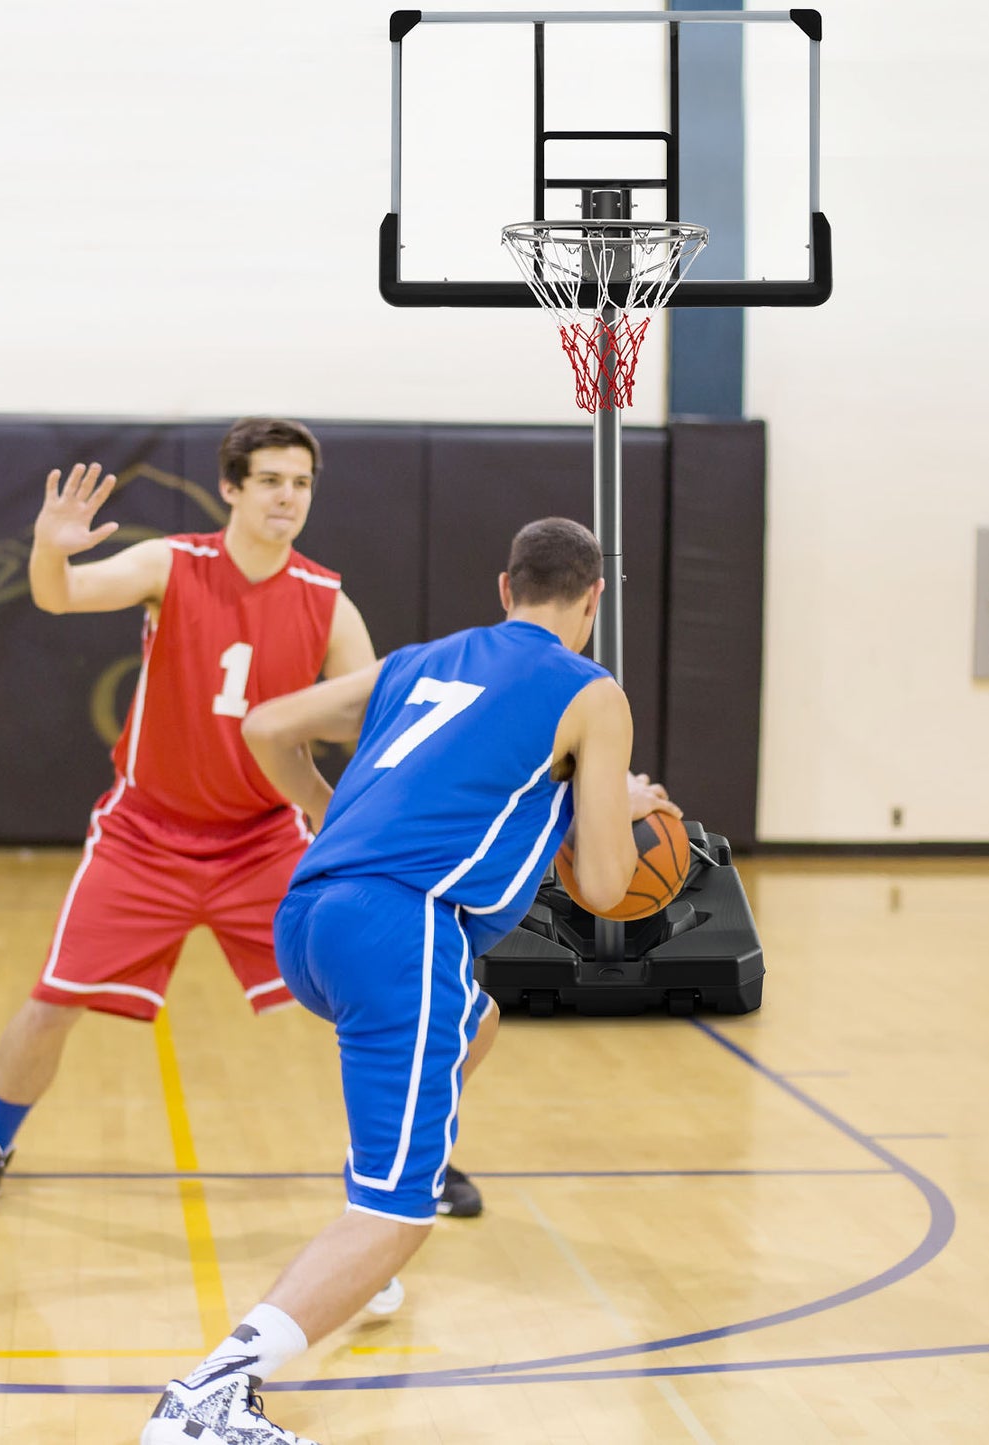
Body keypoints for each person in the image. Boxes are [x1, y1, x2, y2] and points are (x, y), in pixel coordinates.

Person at [140, 517, 682, 1445]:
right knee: (401, 1211)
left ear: (504, 590)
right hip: (403, 930)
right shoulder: (594, 694)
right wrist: (612, 808)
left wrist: (326, 810)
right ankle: (207, 1400)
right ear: (594, 601)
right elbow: (601, 886)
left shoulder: (420, 660)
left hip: (309, 915)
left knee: (475, 1024)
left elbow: (269, 724)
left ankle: (358, 1253)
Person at [0, 418, 484, 1223]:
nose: (286, 497)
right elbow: (61, 594)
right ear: (230, 486)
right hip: (144, 833)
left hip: (264, 839)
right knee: (54, 999)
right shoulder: (173, 564)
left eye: (299, 482)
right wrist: (52, 547)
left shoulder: (327, 602)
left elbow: (372, 719)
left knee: (381, 990)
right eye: (269, 480)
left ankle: (413, 1147)